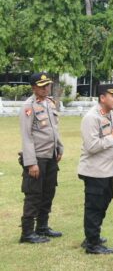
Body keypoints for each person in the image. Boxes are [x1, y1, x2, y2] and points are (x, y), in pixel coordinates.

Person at [18, 72, 64, 244]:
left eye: (48, 85)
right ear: (33, 87)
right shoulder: (28, 106)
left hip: (51, 156)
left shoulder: (49, 103)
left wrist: (59, 147)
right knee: (34, 195)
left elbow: (54, 129)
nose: (46, 88)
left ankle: (42, 227)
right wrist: (31, 163)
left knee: (48, 192)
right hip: (37, 158)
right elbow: (27, 135)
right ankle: (27, 232)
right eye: (42, 85)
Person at [78, 83, 113, 254]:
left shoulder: (108, 114)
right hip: (94, 170)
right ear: (102, 97)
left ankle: (91, 236)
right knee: (94, 206)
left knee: (104, 201)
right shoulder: (91, 117)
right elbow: (92, 146)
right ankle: (92, 244)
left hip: (106, 170)